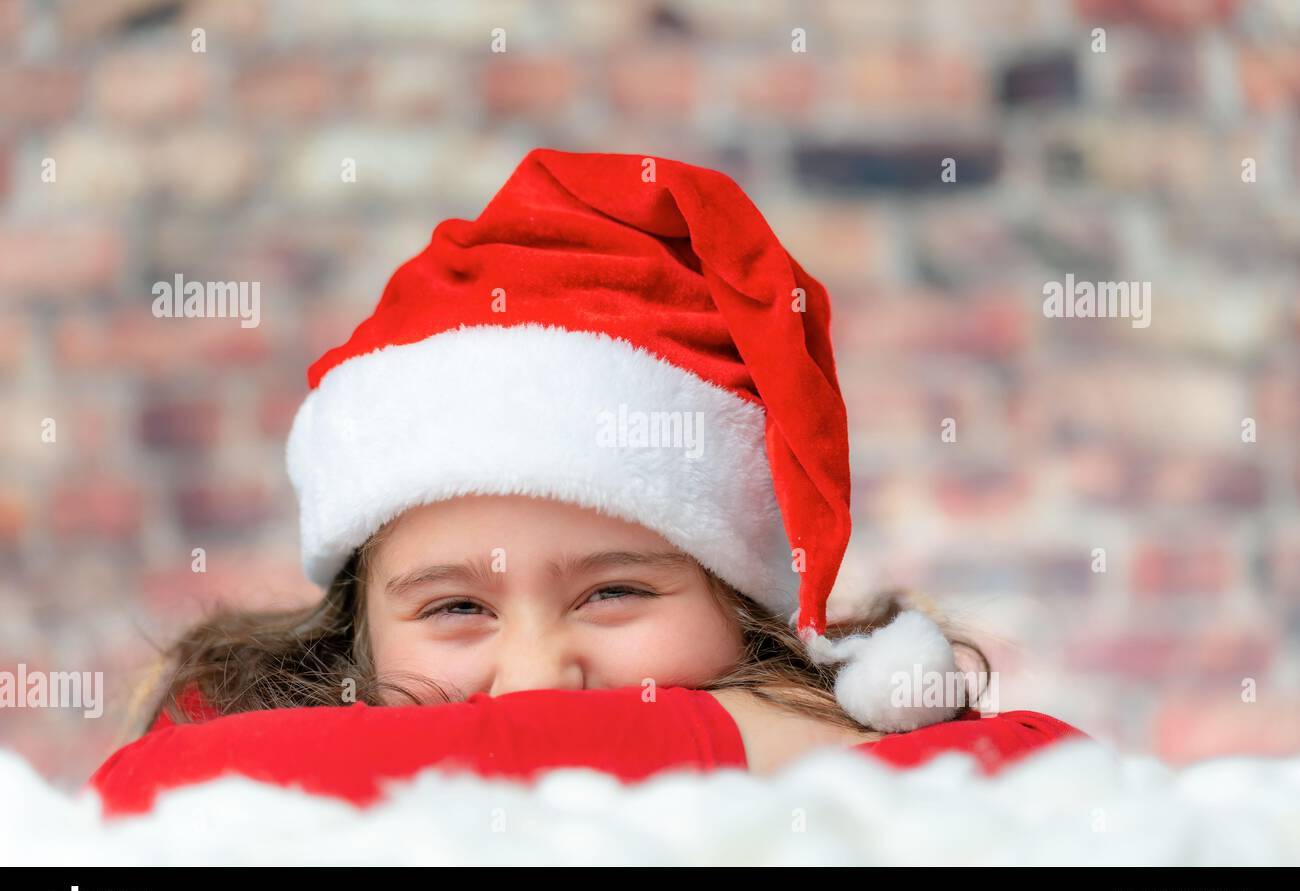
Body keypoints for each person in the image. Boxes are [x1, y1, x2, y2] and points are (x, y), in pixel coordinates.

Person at [88, 148, 1089, 816]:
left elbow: (1043, 768)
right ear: (360, 628)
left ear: (738, 606)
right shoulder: (238, 730)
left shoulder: (860, 740)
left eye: (613, 590)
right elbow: (154, 791)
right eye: (455, 605)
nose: (536, 673)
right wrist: (731, 730)